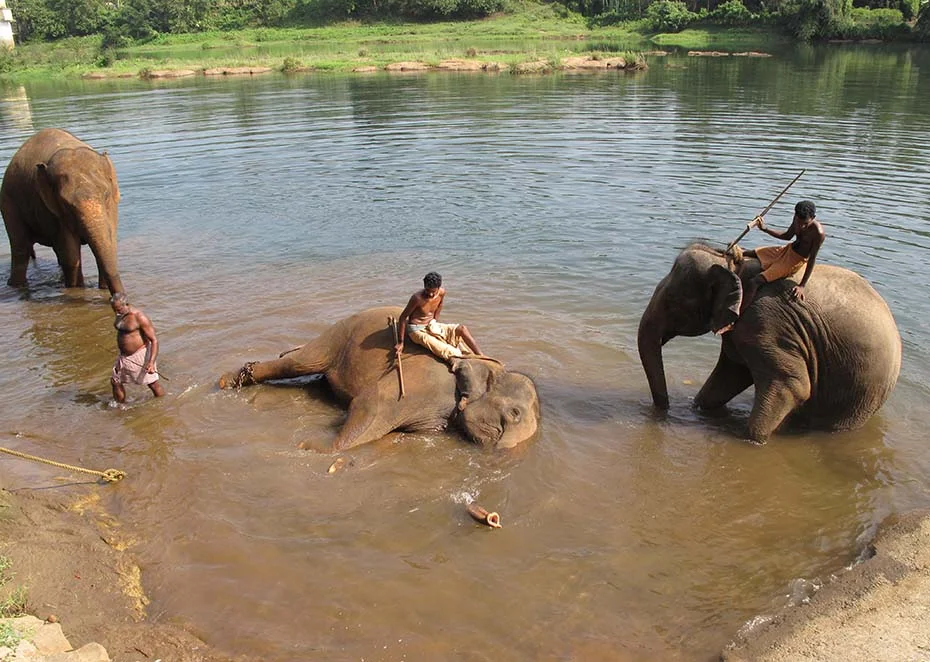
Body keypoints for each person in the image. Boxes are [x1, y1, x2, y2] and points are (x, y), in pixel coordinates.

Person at [721, 200, 825, 333]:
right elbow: (787, 236)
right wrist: (765, 229)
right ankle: (733, 252)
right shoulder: (797, 218)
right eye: (798, 222)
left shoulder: (818, 233)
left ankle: (734, 319)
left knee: (755, 282)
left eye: (805, 224)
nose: (801, 226)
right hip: (787, 249)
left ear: (813, 219)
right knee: (751, 253)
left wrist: (802, 285)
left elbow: (812, 260)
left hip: (795, 260)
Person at [394, 272, 483, 364]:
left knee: (462, 329)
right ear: (424, 286)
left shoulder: (442, 292)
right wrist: (401, 342)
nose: (431, 294)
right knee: (453, 352)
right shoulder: (417, 298)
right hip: (417, 329)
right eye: (427, 291)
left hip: (431, 324)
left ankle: (481, 356)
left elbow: (440, 305)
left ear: (439, 288)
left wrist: (435, 321)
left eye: (433, 292)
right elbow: (403, 317)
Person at [110, 292, 165, 403]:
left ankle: (162, 403)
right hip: (123, 356)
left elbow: (154, 340)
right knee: (115, 381)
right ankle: (120, 407)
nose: (116, 312)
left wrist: (151, 362)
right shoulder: (119, 315)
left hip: (140, 354)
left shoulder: (139, 317)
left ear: (126, 304)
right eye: (114, 309)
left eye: (119, 309)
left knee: (152, 384)